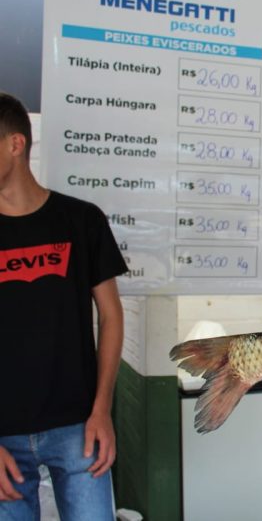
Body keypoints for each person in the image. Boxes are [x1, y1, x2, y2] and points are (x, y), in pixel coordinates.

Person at [0, 92, 128, 519]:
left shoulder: (81, 220)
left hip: (80, 429)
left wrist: (102, 411)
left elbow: (110, 317)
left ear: (15, 145)